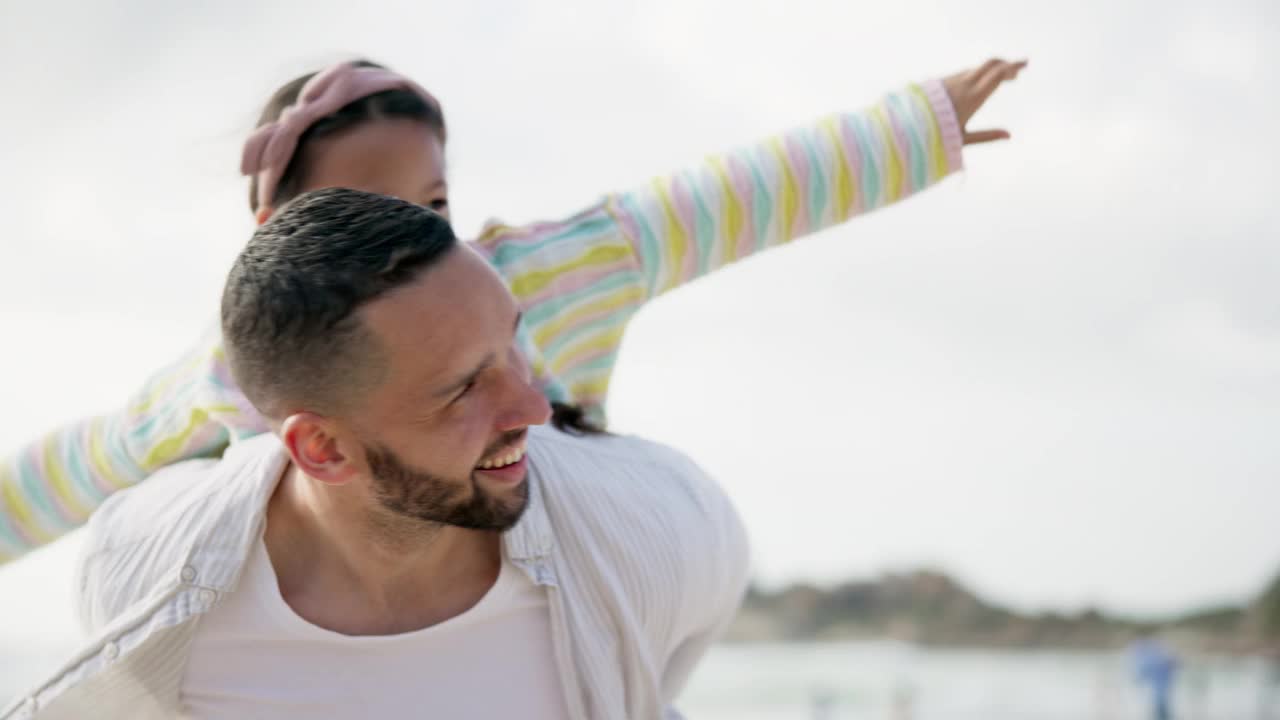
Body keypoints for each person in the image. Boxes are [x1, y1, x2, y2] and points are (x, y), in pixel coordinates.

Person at [0, 56, 1026, 563]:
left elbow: (710, 206)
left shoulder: (546, 275)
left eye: (430, 203)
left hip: (555, 586)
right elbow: (80, 464)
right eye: (352, 209)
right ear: (274, 234)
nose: (407, 238)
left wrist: (913, 130)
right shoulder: (234, 375)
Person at [4, 189, 750, 719]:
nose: (533, 407)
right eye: (463, 389)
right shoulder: (140, 571)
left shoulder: (655, 531)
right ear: (321, 448)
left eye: (512, 343)